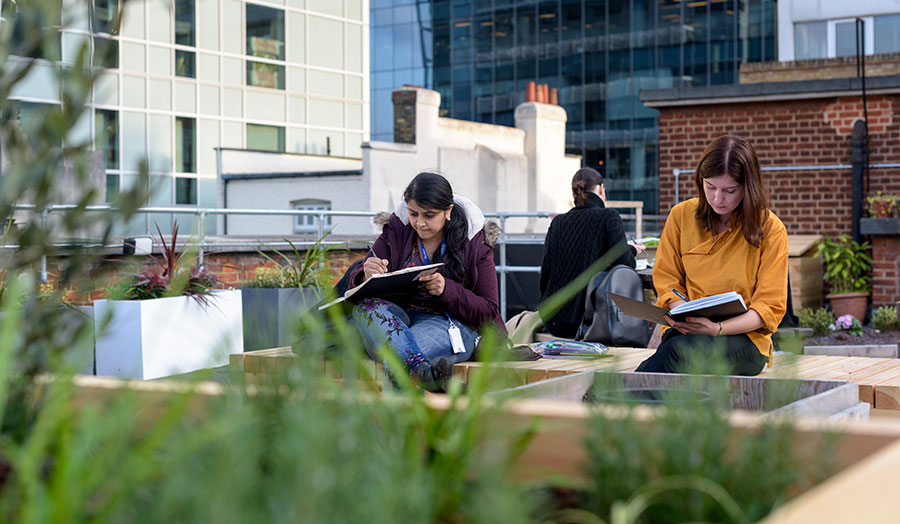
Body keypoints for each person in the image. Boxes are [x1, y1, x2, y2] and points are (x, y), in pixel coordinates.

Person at [635, 135, 788, 375]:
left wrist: (715, 329)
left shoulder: (770, 228)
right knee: (678, 349)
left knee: (677, 353)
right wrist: (686, 316)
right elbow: (667, 281)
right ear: (700, 181)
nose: (718, 199)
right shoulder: (680, 216)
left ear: (748, 187)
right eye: (710, 187)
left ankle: (612, 402)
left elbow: (768, 308)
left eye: (730, 190)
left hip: (744, 340)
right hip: (686, 334)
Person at [347, 172, 503, 390]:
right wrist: (366, 273)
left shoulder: (474, 243)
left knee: (397, 355)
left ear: (448, 211)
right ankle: (428, 377)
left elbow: (489, 309)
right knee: (366, 308)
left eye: (429, 215)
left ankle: (412, 403)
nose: (419, 223)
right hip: (398, 317)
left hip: (448, 324)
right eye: (413, 214)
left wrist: (446, 289)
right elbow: (361, 278)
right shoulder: (397, 231)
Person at [539, 167, 643, 338]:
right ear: (601, 189)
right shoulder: (609, 216)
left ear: (574, 194)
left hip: (552, 319)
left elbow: (545, 274)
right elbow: (625, 264)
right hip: (587, 322)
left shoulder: (558, 222)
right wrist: (632, 249)